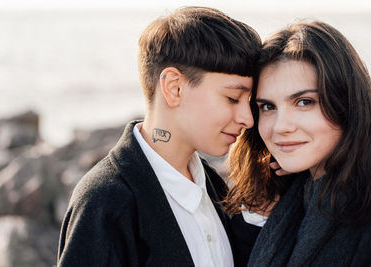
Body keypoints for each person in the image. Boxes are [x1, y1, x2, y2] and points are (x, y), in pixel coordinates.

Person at [57, 6, 262, 267]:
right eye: (233, 98)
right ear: (174, 87)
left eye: (250, 101)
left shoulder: (213, 187)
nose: (248, 118)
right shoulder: (103, 203)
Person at [225, 20, 371, 266]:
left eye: (304, 102)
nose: (281, 126)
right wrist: (257, 214)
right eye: (268, 107)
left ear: (346, 102)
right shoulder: (287, 199)